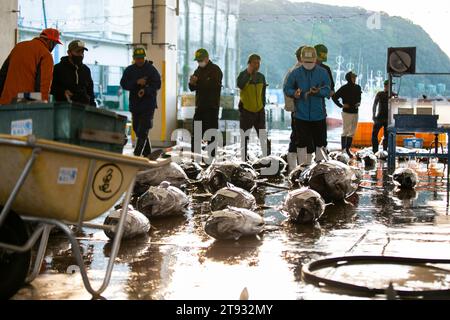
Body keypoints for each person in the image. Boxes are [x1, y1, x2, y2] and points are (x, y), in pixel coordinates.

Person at [284, 46, 331, 164]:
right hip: (300, 114)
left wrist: (318, 92)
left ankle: (321, 166)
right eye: (306, 62)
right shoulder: (295, 73)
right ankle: (303, 167)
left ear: (315, 59)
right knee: (301, 142)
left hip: (318, 115)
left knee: (320, 142)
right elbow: (287, 88)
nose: (308, 65)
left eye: (311, 62)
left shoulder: (323, 72)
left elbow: (328, 90)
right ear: (301, 59)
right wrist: (294, 93)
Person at [0, 28, 62, 105]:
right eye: (55, 44)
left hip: (6, 101)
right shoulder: (45, 54)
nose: (53, 48)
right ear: (50, 41)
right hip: (25, 103)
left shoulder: (18, 47)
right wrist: (43, 105)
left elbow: (2, 75)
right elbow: (43, 86)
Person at [120, 47, 161, 158]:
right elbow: (124, 84)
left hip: (148, 104)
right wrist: (136, 82)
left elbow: (157, 84)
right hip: (135, 104)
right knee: (137, 128)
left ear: (144, 57)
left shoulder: (151, 70)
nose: (140, 61)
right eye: (137, 59)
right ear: (134, 58)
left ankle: (137, 153)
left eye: (141, 58)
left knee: (143, 129)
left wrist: (146, 90)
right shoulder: (129, 70)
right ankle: (147, 152)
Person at [189, 48, 223, 160]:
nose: (199, 62)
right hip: (200, 107)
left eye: (201, 60)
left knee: (211, 134)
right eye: (198, 60)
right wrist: (192, 83)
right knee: (196, 134)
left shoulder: (215, 70)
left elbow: (213, 86)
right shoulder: (198, 70)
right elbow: (192, 88)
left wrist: (198, 83)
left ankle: (211, 158)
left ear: (207, 58)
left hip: (212, 107)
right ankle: (195, 158)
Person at [237, 54, 268, 161]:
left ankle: (267, 158)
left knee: (263, 136)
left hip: (259, 111)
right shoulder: (242, 75)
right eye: (254, 62)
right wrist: (248, 74)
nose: (257, 65)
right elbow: (240, 85)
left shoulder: (261, 77)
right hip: (246, 111)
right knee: (244, 137)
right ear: (249, 63)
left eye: (258, 63)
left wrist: (262, 105)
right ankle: (243, 159)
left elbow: (263, 93)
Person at [51, 40, 96, 106]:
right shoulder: (58, 68)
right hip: (63, 108)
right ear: (69, 52)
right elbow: (51, 87)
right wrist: (63, 92)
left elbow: (90, 91)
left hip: (83, 109)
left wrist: (93, 106)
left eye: (82, 52)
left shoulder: (86, 70)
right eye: (78, 52)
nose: (81, 55)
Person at [283, 46, 305, 172]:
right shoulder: (298, 72)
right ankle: (297, 169)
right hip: (299, 111)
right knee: (298, 138)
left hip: (298, 110)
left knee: (297, 137)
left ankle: (295, 168)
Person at [332, 71, 362, 157]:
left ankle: (347, 149)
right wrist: (341, 105)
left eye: (355, 77)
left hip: (355, 112)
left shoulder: (358, 87)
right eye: (353, 77)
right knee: (345, 131)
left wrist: (359, 103)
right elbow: (334, 97)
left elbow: (359, 98)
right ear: (349, 78)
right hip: (346, 112)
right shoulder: (344, 88)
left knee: (352, 131)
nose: (355, 79)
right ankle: (343, 150)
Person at [372, 80, 396, 153]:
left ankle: (384, 151)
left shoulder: (393, 95)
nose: (391, 87)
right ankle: (375, 151)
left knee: (386, 136)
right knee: (375, 134)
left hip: (387, 119)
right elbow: (375, 105)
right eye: (390, 85)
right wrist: (373, 115)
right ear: (385, 86)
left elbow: (396, 106)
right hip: (380, 118)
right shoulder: (381, 94)